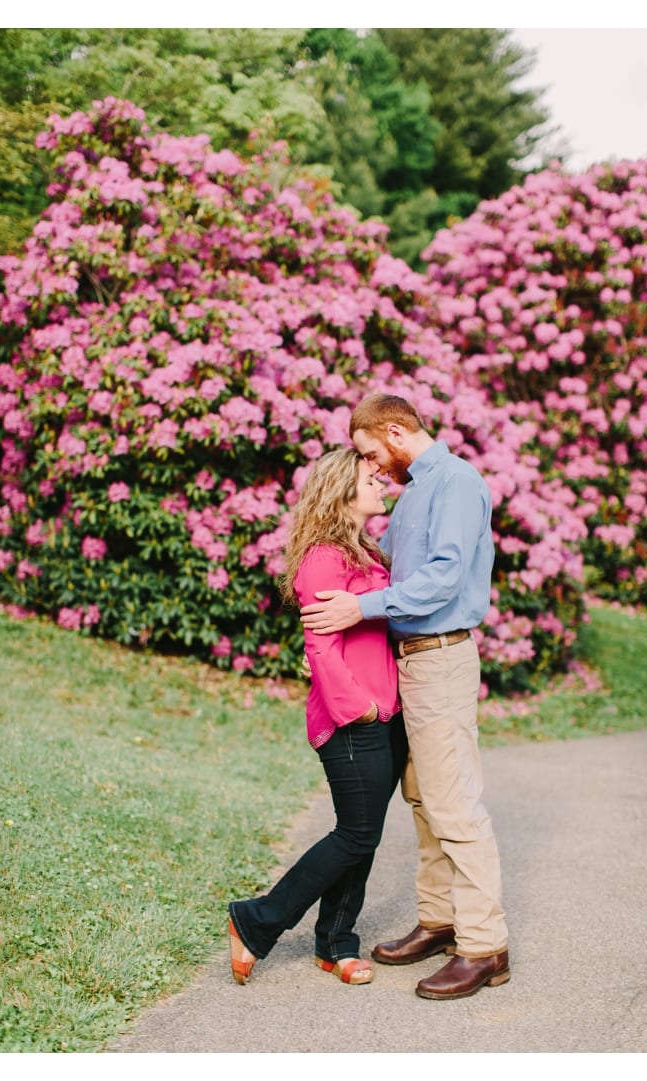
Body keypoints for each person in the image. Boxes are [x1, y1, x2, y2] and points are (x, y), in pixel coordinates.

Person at [300, 393, 510, 1001]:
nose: (373, 467)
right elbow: (397, 572)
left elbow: (443, 577)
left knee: (454, 804)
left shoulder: (456, 484)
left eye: (371, 451)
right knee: (424, 800)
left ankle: (483, 946)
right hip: (411, 661)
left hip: (440, 656)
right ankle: (440, 918)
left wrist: (357, 607)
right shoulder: (416, 488)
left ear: (396, 430)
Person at [228, 447, 403, 987]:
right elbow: (321, 649)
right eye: (368, 474)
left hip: (386, 714)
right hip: (353, 719)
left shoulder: (366, 552)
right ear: (339, 487)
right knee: (354, 834)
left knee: (364, 835)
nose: (379, 479)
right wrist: (363, 709)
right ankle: (256, 920)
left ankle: (335, 941)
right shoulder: (325, 556)